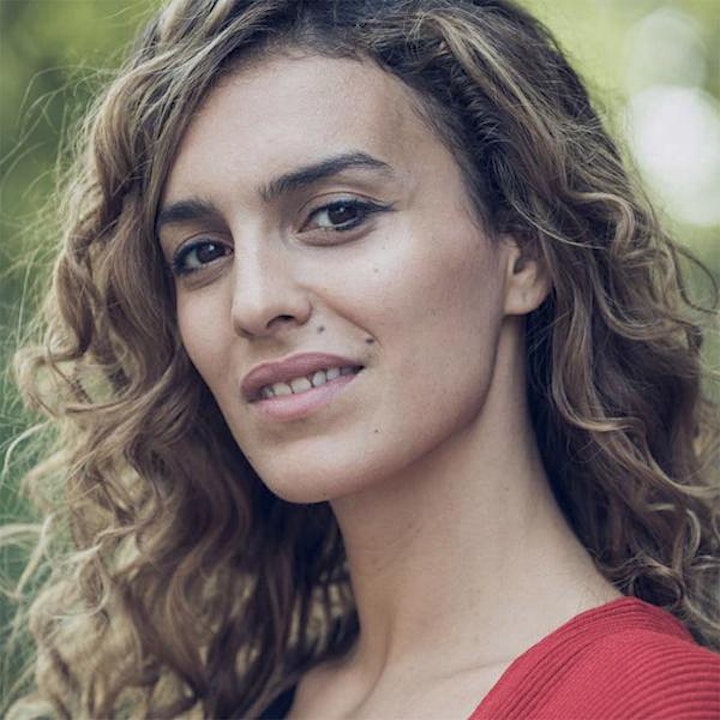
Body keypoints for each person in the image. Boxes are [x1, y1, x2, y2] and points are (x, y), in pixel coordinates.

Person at [7, 0, 720, 717]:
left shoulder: (655, 704)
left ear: (525, 250)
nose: (252, 302)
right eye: (203, 253)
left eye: (338, 214)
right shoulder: (257, 700)